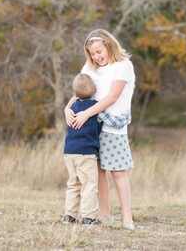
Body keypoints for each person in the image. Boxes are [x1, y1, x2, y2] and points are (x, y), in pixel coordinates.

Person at [64, 28, 136, 231]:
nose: (96, 56)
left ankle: (127, 218)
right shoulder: (89, 68)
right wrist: (67, 108)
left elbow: (112, 97)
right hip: (91, 128)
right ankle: (105, 215)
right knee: (98, 172)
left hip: (113, 126)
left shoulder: (123, 66)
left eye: (99, 51)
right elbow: (79, 93)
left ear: (108, 45)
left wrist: (86, 113)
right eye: (92, 54)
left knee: (118, 171)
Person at [62, 73, 102, 226]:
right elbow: (99, 125)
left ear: (75, 93)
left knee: (73, 183)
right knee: (89, 184)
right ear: (94, 89)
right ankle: (88, 217)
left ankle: (69, 215)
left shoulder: (71, 107)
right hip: (85, 152)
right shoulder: (94, 107)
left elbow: (74, 98)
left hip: (69, 151)